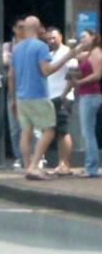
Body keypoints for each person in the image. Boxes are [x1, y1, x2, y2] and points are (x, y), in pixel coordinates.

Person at [8, 16, 79, 180]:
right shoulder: (41, 47)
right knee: (49, 131)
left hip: (21, 96)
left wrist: (13, 99)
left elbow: (11, 75)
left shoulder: (17, 49)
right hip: (38, 95)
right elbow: (46, 70)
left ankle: (27, 166)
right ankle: (34, 167)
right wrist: (67, 57)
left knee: (26, 132)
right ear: (39, 28)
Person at [62, 29, 102, 178]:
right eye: (81, 37)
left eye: (84, 37)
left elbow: (97, 74)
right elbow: (72, 58)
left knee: (88, 132)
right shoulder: (89, 53)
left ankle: (91, 167)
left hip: (91, 95)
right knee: (87, 131)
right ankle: (90, 165)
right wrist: (76, 48)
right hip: (86, 95)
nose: (82, 39)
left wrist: (79, 82)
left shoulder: (97, 53)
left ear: (93, 37)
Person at [45, 27, 79, 175]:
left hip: (63, 97)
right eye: (49, 39)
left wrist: (64, 95)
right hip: (51, 97)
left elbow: (73, 75)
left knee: (63, 131)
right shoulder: (50, 54)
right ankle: (61, 163)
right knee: (58, 131)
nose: (51, 41)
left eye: (54, 37)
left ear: (61, 37)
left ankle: (66, 164)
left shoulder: (67, 53)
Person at [3, 17, 26, 169]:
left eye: (24, 27)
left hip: (28, 88)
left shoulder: (30, 44)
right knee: (15, 127)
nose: (22, 30)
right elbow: (4, 61)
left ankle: (32, 156)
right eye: (19, 27)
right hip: (13, 89)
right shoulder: (8, 46)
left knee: (31, 126)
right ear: (13, 28)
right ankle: (19, 156)